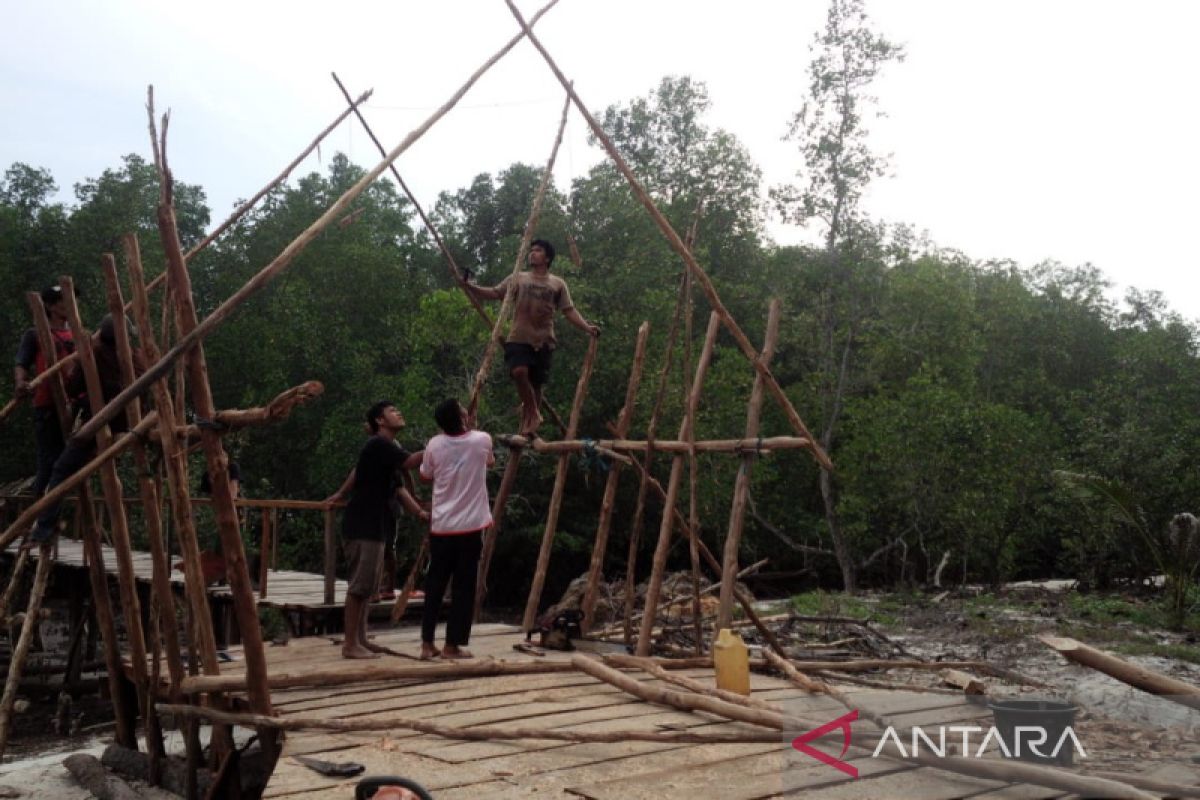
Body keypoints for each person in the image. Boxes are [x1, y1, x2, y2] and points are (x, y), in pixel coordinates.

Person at [465, 239, 599, 436]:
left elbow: (569, 310)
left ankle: (531, 419)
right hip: (519, 336)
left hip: (543, 339)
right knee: (519, 372)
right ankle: (532, 411)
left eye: (537, 250)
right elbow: (494, 293)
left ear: (547, 257)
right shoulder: (518, 278)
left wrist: (587, 327)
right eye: (532, 250)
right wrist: (470, 286)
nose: (532, 253)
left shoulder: (557, 283)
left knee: (536, 383)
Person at [29, 314, 143, 544]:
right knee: (79, 467)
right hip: (130, 425)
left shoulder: (93, 355)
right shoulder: (135, 359)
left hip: (97, 425)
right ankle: (48, 526)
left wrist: (73, 373)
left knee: (60, 469)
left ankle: (44, 529)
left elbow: (72, 388)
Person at [339, 401, 427, 659]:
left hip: (375, 525)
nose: (399, 412)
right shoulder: (378, 444)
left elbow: (398, 489)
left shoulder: (387, 451)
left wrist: (421, 513)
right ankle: (349, 645)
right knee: (359, 587)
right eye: (392, 411)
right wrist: (440, 444)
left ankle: (361, 638)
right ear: (380, 421)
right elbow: (411, 462)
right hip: (362, 524)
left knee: (367, 587)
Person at [417, 398, 494, 660]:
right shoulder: (482, 440)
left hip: (442, 526)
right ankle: (452, 645)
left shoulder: (434, 444)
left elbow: (425, 475)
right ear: (460, 416)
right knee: (463, 588)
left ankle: (427, 644)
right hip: (470, 528)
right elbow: (490, 462)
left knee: (435, 586)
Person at [13, 286, 77, 495]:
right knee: (50, 463)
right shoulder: (36, 334)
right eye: (62, 300)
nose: (68, 303)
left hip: (75, 404)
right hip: (47, 405)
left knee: (68, 462)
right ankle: (41, 517)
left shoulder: (77, 334)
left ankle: (46, 519)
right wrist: (21, 382)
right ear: (49, 306)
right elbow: (21, 363)